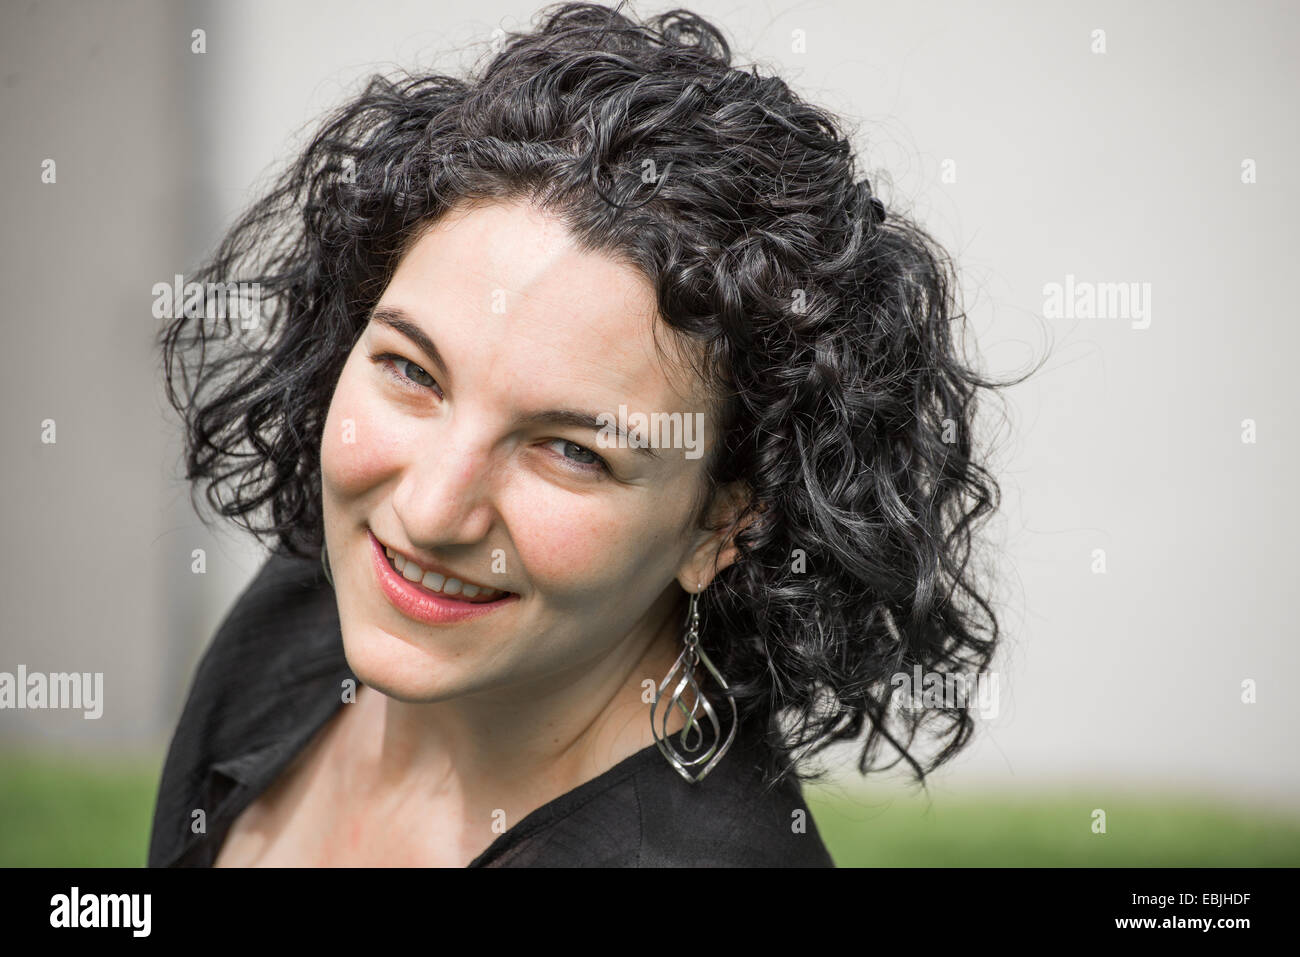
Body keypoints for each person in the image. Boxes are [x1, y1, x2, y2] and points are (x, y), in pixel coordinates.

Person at [149, 0, 1015, 868]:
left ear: (728, 523)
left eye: (571, 450)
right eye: (412, 372)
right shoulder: (320, 595)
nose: (429, 509)